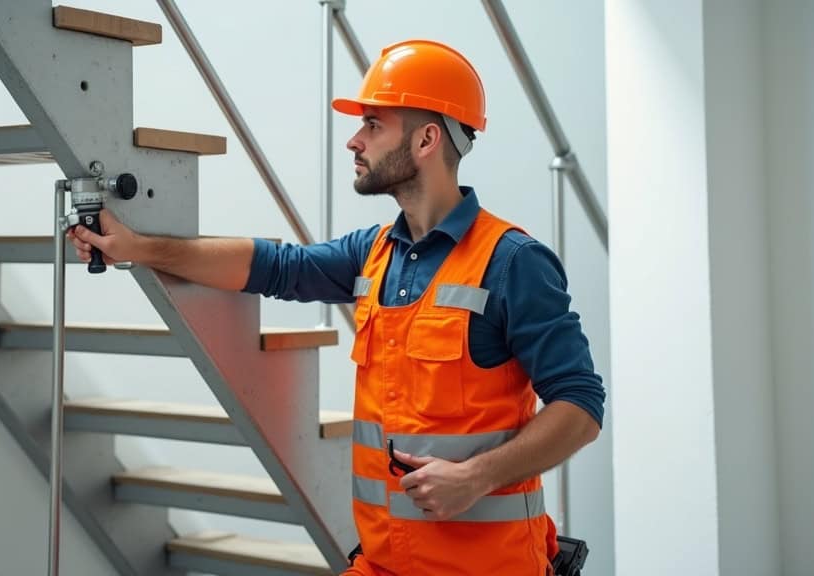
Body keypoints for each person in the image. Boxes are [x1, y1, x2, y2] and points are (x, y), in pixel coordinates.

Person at [68, 39, 604, 576]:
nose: (354, 140)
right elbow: (274, 266)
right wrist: (138, 248)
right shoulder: (372, 253)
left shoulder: (512, 262)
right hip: (382, 564)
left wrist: (477, 476)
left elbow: (580, 406)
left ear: (426, 139)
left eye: (373, 124)